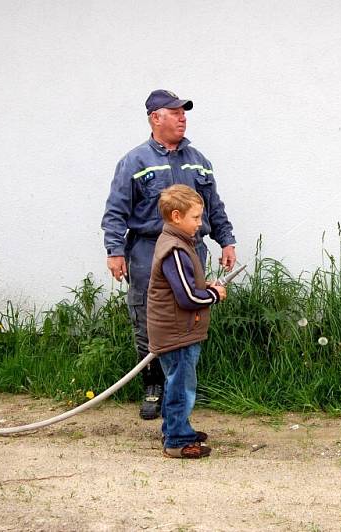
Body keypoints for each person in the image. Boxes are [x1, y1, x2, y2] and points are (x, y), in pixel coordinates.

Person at [102, 89, 236, 420]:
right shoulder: (134, 161)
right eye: (174, 112)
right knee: (149, 316)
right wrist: (115, 250)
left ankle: (181, 385)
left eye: (183, 112)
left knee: (189, 312)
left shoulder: (198, 160)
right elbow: (116, 210)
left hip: (192, 249)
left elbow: (213, 206)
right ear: (155, 118)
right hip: (148, 250)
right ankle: (153, 385)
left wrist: (227, 240)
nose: (182, 117)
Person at [148, 184, 226, 458]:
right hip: (177, 333)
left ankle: (175, 428)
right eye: (195, 218)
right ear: (177, 217)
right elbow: (188, 297)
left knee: (176, 383)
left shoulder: (178, 243)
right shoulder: (175, 249)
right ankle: (178, 442)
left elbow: (186, 285)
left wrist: (205, 285)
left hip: (179, 331)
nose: (200, 223)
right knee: (181, 386)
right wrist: (213, 295)